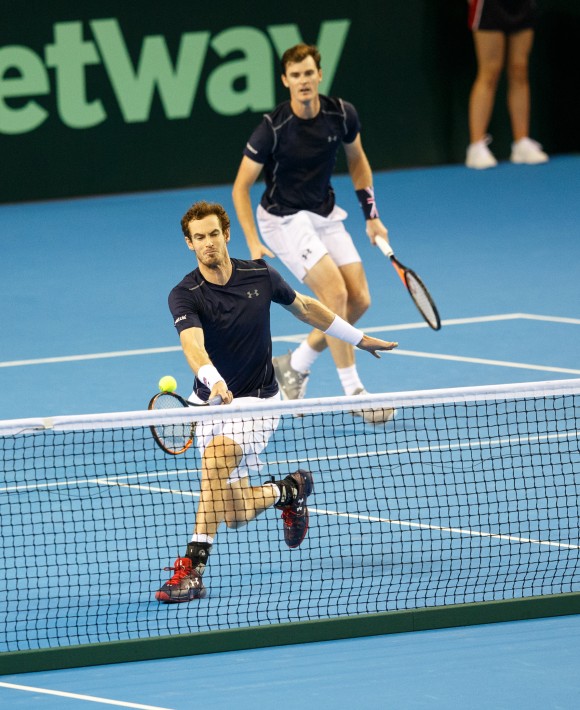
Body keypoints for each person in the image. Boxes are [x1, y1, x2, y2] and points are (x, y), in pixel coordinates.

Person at [155, 200, 398, 603]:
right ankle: (289, 490)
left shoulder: (260, 275)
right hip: (210, 403)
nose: (208, 243)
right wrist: (213, 380)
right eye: (199, 238)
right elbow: (192, 346)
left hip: (259, 401)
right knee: (232, 512)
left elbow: (304, 307)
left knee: (216, 462)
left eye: (214, 234)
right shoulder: (185, 294)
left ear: (226, 235)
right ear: (189, 243)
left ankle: (192, 571)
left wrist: (358, 336)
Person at [232, 43, 391, 416]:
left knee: (360, 300)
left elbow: (358, 161)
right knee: (334, 294)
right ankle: (354, 393)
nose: (303, 81)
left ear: (319, 75)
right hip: (283, 218)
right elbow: (241, 187)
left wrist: (372, 215)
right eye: (296, 75)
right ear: (285, 80)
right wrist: (253, 239)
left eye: (309, 73)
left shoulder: (341, 114)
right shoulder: (272, 128)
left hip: (323, 212)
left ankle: (296, 365)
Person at [466, 0, 549, 169]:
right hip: (488, 4)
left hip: (521, 5)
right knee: (490, 71)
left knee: (520, 69)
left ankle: (521, 143)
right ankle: (476, 146)